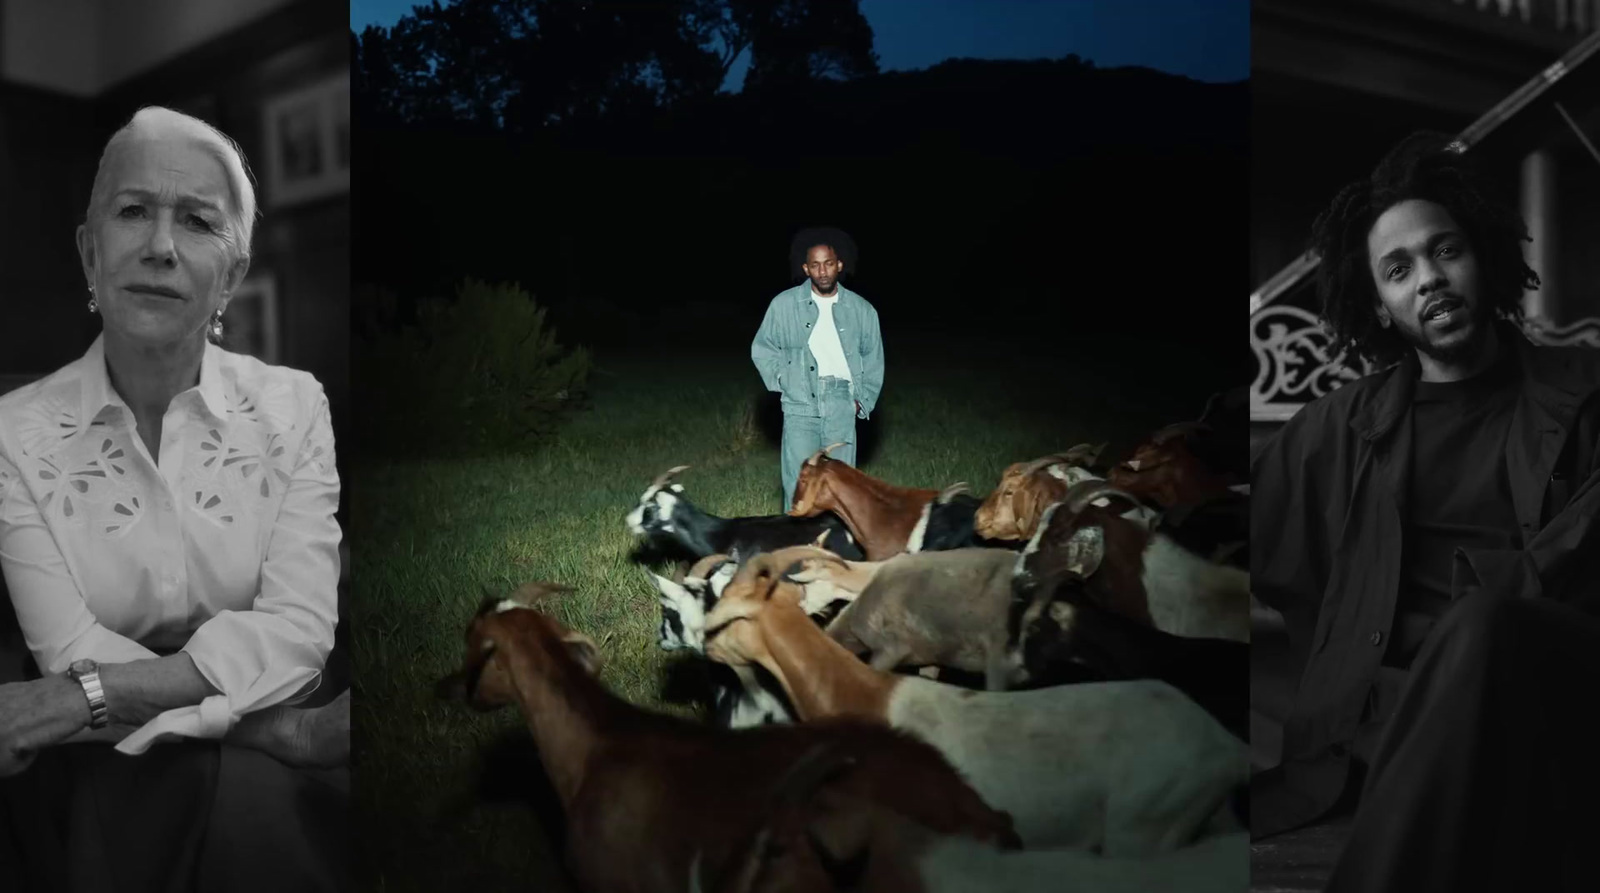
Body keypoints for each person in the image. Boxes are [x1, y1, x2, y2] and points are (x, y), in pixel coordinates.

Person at [0, 107, 348, 891]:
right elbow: (68, 648)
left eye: (196, 221)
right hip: (100, 760)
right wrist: (281, 732)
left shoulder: (298, 406)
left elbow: (298, 631)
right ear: (91, 252)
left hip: (91, 717)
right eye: (132, 212)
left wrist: (84, 698)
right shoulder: (11, 434)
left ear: (231, 272)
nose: (159, 246)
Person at [1251, 132, 1600, 892]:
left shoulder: (1583, 396)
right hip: (1386, 730)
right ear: (1377, 301)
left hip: (1553, 697)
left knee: (1484, 621)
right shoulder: (1337, 430)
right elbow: (1224, 524)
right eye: (1399, 270)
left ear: (1483, 255)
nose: (1429, 280)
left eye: (1445, 251)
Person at [751, 227, 885, 511]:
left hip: (841, 401)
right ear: (806, 268)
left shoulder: (862, 310)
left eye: (828, 263)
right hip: (800, 405)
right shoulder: (784, 305)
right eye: (815, 265)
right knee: (799, 485)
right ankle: (795, 551)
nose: (822, 271)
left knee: (841, 487)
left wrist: (862, 401)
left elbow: (873, 358)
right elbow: (763, 348)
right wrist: (784, 380)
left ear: (839, 264)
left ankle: (837, 550)